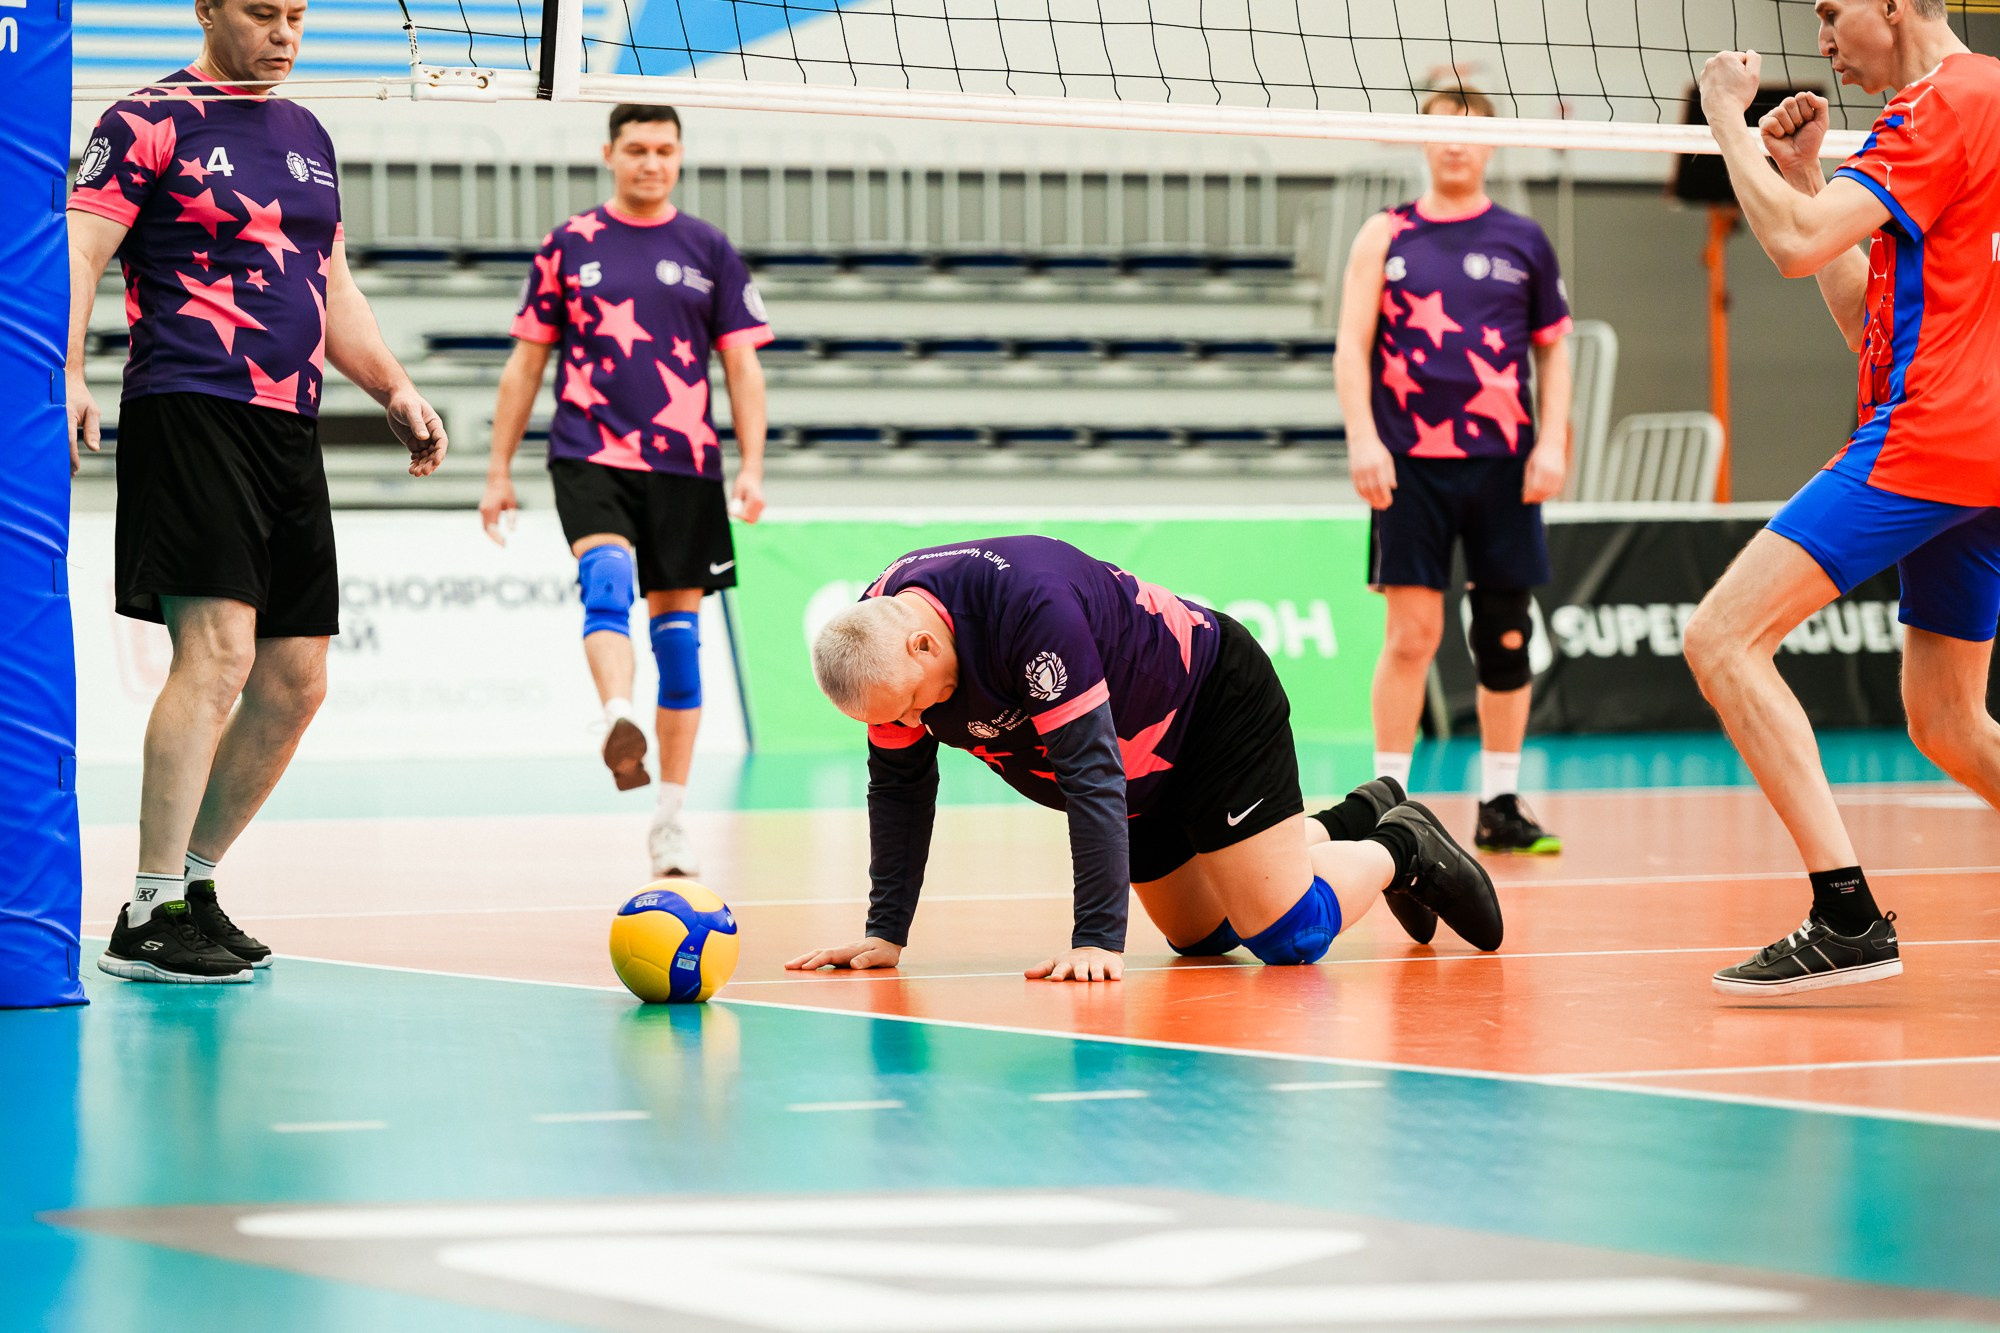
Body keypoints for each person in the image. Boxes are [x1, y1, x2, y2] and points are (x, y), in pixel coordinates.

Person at [66, 0, 448, 984]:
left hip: (290, 422)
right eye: (260, 12)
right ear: (206, 8)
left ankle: (192, 885)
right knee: (220, 653)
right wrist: (66, 371)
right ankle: (147, 910)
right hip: (190, 403)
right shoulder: (146, 118)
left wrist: (395, 386)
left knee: (296, 678)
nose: (283, 33)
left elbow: (335, 285)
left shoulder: (308, 134)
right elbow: (80, 250)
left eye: (296, 15)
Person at [785, 536, 1503, 981]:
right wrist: (886, 930)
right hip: (1137, 773)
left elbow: (1090, 773)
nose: (915, 723)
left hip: (1208, 713)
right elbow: (899, 787)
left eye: (913, 704)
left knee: (1290, 934)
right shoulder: (881, 641)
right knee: (1201, 937)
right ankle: (1354, 813)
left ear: (925, 644)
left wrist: (1097, 940)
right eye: (897, 717)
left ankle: (1402, 842)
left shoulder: (1027, 609)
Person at [1688, 1, 1999, 994]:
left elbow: (1786, 247)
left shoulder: (1941, 102)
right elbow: (1868, 311)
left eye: (1831, 12)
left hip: (1932, 440)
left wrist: (1725, 120)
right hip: (1973, 444)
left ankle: (1845, 914)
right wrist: (1806, 178)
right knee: (1944, 720)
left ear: (1896, 3)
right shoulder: (1969, 102)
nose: (1818, 37)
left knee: (1719, 638)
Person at [480, 104, 770, 879]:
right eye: (637, 149)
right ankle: (616, 717)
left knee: (680, 648)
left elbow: (742, 365)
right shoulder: (570, 244)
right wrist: (498, 471)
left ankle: (669, 821)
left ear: (680, 156)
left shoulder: (708, 248)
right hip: (590, 451)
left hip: (687, 463)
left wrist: (752, 466)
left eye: (665, 150)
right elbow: (525, 364)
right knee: (604, 583)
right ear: (609, 153)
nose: (651, 162)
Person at [1332, 83, 1574, 855]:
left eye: (1472, 132)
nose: (1457, 145)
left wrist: (1553, 441)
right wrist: (1364, 439)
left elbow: (1553, 348)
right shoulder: (1385, 234)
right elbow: (1350, 346)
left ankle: (1500, 801)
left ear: (1493, 143)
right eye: (1442, 131)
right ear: (1421, 139)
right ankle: (1387, 798)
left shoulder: (1523, 238)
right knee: (1412, 634)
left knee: (1504, 635)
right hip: (1410, 465)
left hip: (1504, 465)